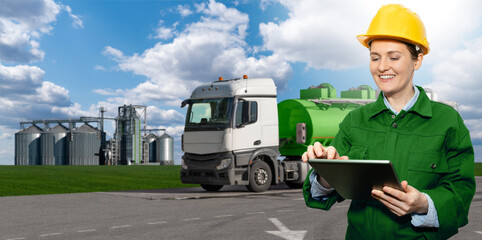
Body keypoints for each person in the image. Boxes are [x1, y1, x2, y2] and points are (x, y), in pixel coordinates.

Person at [301, 4, 475, 239]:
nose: (382, 67)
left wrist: (423, 204)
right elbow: (323, 193)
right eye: (375, 58)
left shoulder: (447, 122)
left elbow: (461, 193)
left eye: (394, 57)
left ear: (418, 60)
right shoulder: (355, 121)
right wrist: (324, 170)